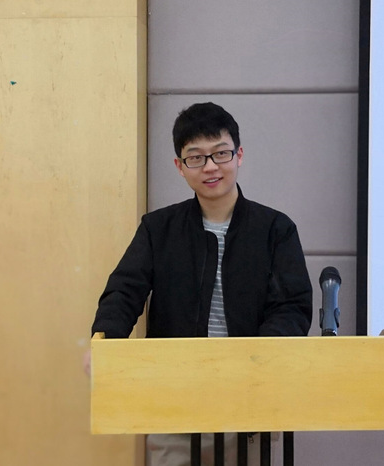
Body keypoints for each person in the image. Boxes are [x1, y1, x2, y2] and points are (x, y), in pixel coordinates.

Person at [89, 102, 313, 465]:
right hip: (176, 399)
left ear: (239, 155)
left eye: (220, 153)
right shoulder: (158, 229)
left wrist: (256, 360)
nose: (210, 167)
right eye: (196, 157)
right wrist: (106, 343)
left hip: (250, 401)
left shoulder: (275, 229)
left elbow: (292, 307)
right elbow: (124, 291)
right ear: (180, 166)